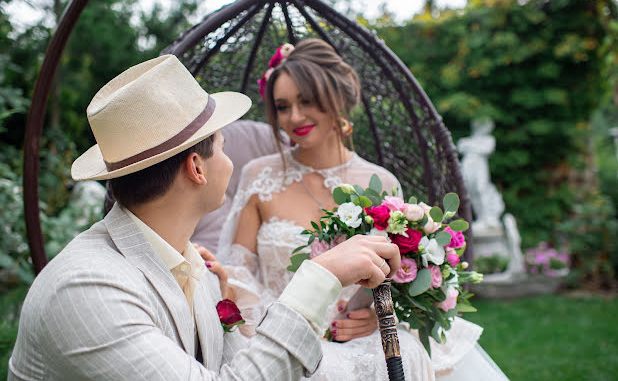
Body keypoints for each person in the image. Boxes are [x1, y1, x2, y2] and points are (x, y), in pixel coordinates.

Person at [8, 54, 403, 380]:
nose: (232, 163)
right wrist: (321, 278)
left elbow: (239, 364)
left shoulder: (191, 265)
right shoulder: (87, 290)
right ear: (197, 168)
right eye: (224, 147)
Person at [217, 39, 508, 380]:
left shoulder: (380, 183)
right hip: (279, 334)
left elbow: (400, 276)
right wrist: (268, 324)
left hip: (364, 342)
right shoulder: (259, 176)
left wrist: (380, 315)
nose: (294, 117)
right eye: (282, 106)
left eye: (307, 101)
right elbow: (239, 270)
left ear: (338, 99)